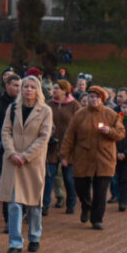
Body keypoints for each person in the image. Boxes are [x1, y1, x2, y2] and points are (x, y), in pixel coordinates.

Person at [0, 74, 53, 253]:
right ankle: (15, 243)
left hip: (32, 163)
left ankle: (34, 236)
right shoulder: (13, 108)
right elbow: (5, 131)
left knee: (33, 203)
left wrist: (26, 155)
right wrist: (12, 152)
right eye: (25, 86)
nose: (28, 89)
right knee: (14, 204)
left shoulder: (45, 111)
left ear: (37, 90)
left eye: (32, 87)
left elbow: (43, 137)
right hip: (13, 162)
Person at [61, 86, 124, 229]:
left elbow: (121, 133)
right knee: (81, 186)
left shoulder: (111, 114)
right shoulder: (80, 115)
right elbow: (69, 136)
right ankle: (86, 205)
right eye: (91, 97)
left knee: (100, 191)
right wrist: (64, 155)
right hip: (83, 157)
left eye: (96, 97)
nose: (94, 100)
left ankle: (97, 219)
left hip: (104, 158)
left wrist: (109, 131)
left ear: (102, 99)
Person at [44, 79, 78, 216]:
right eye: (54, 88)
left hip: (68, 147)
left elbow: (78, 123)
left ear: (65, 90)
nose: (55, 90)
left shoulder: (74, 105)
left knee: (68, 178)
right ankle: (44, 205)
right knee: (48, 177)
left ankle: (71, 204)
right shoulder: (49, 104)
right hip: (51, 146)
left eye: (57, 88)